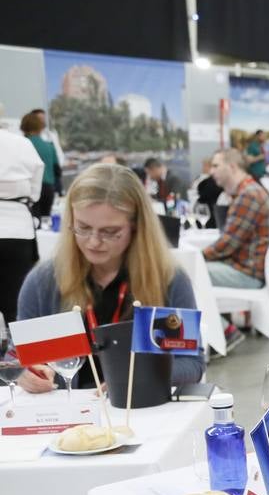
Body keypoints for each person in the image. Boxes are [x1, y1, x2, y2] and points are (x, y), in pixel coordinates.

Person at [16, 163, 205, 391]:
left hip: (140, 408)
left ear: (136, 227)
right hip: (68, 409)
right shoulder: (44, 281)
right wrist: (25, 373)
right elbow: (22, 359)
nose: (94, 242)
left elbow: (192, 364)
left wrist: (140, 375)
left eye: (110, 232)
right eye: (83, 228)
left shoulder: (167, 279)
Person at [201, 148, 269, 299]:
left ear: (232, 167)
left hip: (248, 274)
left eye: (216, 166)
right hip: (249, 269)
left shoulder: (248, 195)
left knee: (186, 272)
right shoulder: (249, 191)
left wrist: (197, 257)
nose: (211, 171)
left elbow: (227, 243)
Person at [0, 128, 43, 322]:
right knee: (17, 301)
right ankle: (17, 339)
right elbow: (36, 187)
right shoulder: (22, 143)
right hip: (18, 228)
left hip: (19, 224)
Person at [19, 111, 58, 220]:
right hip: (48, 189)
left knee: (31, 222)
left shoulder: (22, 144)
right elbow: (57, 170)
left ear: (23, 126)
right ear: (40, 127)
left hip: (30, 190)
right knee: (45, 222)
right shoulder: (49, 146)